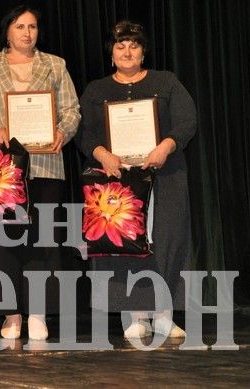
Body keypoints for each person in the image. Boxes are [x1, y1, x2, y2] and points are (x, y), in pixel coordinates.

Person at [0, 5, 81, 341]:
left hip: (47, 164)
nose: (27, 33)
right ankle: (11, 313)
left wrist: (63, 131)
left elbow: (72, 110)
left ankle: (38, 313)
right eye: (20, 26)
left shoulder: (55, 65)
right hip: (4, 170)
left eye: (32, 26)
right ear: (7, 31)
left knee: (43, 239)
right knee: (6, 240)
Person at [77, 20, 196, 339]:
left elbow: (187, 121)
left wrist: (165, 147)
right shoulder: (97, 90)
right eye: (120, 46)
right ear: (111, 53)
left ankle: (164, 315)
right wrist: (103, 155)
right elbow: (84, 135)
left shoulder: (166, 81)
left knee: (166, 241)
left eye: (134, 45)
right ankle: (135, 316)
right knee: (124, 245)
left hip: (164, 175)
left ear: (143, 51)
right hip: (117, 181)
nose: (127, 52)